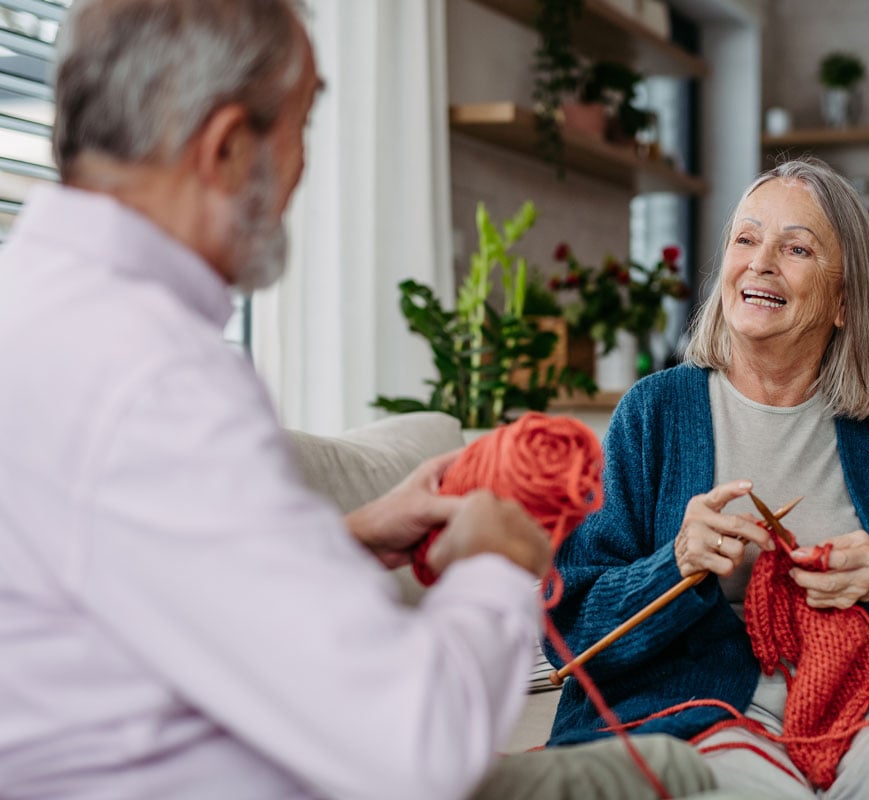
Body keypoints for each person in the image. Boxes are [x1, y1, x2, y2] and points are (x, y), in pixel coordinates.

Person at [0, 1, 713, 798]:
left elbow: (147, 581)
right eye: (302, 126)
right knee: (668, 776)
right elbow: (418, 750)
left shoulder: (37, 306)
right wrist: (496, 564)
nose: (304, 170)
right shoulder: (155, 379)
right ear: (228, 147)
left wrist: (353, 537)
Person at [545, 157, 869, 798]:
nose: (761, 261)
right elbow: (567, 630)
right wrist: (676, 563)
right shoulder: (656, 412)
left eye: (796, 247)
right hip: (701, 711)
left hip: (860, 703)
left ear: (841, 301)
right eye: (745, 239)